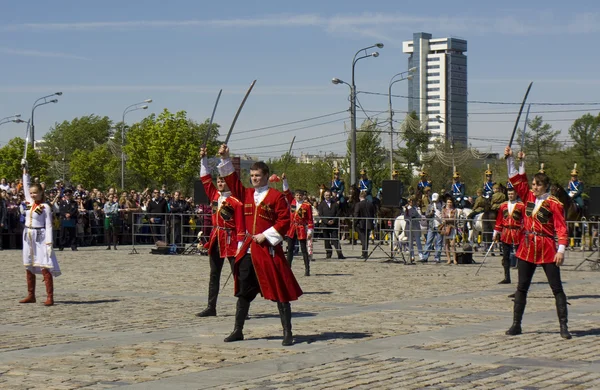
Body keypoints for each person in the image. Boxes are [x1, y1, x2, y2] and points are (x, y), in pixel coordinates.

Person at [217, 144, 302, 346]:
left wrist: (266, 235)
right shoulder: (245, 194)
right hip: (248, 250)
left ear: (266, 176)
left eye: (257, 175)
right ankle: (238, 330)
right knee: (244, 292)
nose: (254, 178)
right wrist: (225, 158)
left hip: (268, 250)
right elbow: (231, 180)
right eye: (252, 175)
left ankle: (287, 333)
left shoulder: (276, 197)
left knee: (280, 291)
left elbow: (284, 221)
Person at [504, 146, 571, 339]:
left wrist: (561, 250)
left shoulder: (554, 204)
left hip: (547, 247)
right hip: (527, 247)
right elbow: (516, 180)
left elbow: (561, 228)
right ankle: (516, 324)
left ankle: (563, 326)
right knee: (521, 287)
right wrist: (510, 159)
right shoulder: (528, 197)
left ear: (545, 186)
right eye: (533, 184)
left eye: (537, 185)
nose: (533, 187)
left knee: (556, 287)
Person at [196, 148, 245, 317]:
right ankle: (211, 306)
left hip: (231, 240)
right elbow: (205, 180)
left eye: (223, 181)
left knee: (237, 275)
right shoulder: (215, 196)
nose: (220, 183)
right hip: (217, 238)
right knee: (214, 273)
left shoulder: (237, 200)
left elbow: (240, 224)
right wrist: (204, 160)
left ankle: (242, 308)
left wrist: (240, 244)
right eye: (219, 181)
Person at [19, 160, 61, 306]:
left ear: (41, 192)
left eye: (35, 192)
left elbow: (49, 225)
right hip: (28, 235)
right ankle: (31, 295)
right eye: (31, 193)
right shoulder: (29, 204)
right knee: (28, 264)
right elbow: (25, 187)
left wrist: (49, 242)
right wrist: (25, 170)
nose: (32, 195)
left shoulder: (45, 207)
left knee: (44, 264)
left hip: (41, 236)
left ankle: (50, 296)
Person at [493, 183, 525, 284]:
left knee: (520, 256)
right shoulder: (503, 206)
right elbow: (499, 220)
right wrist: (496, 232)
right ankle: (507, 277)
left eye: (512, 193)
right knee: (505, 256)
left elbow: (525, 220)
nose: (510, 195)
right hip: (506, 232)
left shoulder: (521, 206)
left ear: (516, 194)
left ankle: (522, 277)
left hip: (517, 232)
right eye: (509, 193)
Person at [282, 175, 314, 276]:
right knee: (290, 249)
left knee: (304, 249)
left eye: (300, 195)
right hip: (292, 228)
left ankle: (307, 269)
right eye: (297, 195)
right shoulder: (291, 201)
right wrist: (284, 180)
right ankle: (288, 269)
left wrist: (309, 231)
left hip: (300, 228)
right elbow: (286, 191)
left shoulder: (307, 206)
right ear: (295, 196)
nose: (298, 196)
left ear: (303, 196)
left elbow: (310, 219)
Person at [317, 190, 345, 260]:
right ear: (324, 196)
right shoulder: (321, 204)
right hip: (325, 225)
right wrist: (327, 221)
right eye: (326, 195)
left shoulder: (335, 203)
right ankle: (328, 253)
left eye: (329, 195)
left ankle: (340, 254)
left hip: (333, 224)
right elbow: (321, 214)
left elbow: (338, 213)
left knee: (335, 239)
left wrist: (333, 220)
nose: (328, 196)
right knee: (326, 240)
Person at [421, 192, 443, 263]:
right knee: (428, 241)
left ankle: (437, 257)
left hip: (440, 226)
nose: (435, 201)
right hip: (431, 226)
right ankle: (425, 257)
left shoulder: (443, 205)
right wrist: (430, 213)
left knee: (439, 242)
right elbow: (426, 216)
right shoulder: (430, 206)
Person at [354, 190, 375, 259]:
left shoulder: (358, 204)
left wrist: (355, 223)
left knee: (363, 239)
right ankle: (365, 253)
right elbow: (373, 214)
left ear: (360, 197)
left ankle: (364, 253)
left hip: (361, 224)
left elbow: (356, 214)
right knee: (366, 239)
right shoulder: (370, 204)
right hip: (369, 223)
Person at [404, 196, 423, 263]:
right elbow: (405, 217)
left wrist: (415, 218)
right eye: (409, 201)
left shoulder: (417, 208)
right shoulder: (406, 209)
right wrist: (410, 218)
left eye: (412, 201)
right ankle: (412, 256)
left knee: (418, 241)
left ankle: (421, 256)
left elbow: (420, 217)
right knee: (410, 242)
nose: (411, 202)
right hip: (409, 226)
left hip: (416, 226)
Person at [441, 196, 458, 265]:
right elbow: (442, 219)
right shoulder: (444, 210)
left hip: (452, 227)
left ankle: (454, 259)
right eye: (448, 202)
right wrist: (446, 221)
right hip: (446, 228)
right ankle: (448, 259)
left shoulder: (454, 210)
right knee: (446, 244)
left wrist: (447, 220)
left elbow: (455, 219)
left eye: (450, 202)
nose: (449, 203)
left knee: (453, 244)